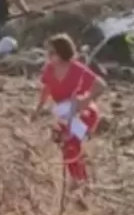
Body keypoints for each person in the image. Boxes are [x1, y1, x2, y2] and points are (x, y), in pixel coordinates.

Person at [34, 34, 106, 184]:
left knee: (71, 143)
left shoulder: (76, 68)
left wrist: (86, 99)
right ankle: (78, 179)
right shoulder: (49, 69)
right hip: (64, 112)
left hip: (82, 112)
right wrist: (38, 109)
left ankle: (83, 182)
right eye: (48, 52)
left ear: (62, 52)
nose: (49, 56)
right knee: (67, 146)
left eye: (52, 53)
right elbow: (46, 89)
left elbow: (100, 84)